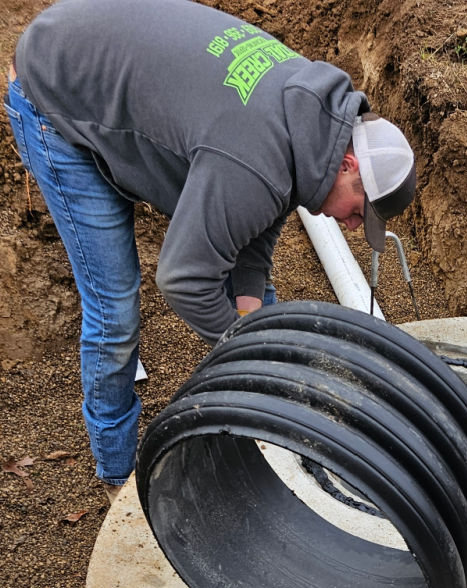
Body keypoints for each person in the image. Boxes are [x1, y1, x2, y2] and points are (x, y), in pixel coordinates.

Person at [5, 0, 416, 502]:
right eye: (360, 210)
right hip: (55, 88)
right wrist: (240, 346)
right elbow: (182, 278)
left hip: (112, 63)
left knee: (251, 302)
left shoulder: (311, 122)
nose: (353, 226)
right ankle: (118, 476)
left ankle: (265, 424)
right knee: (114, 306)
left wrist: (246, 310)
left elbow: (261, 221)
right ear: (349, 163)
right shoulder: (256, 158)